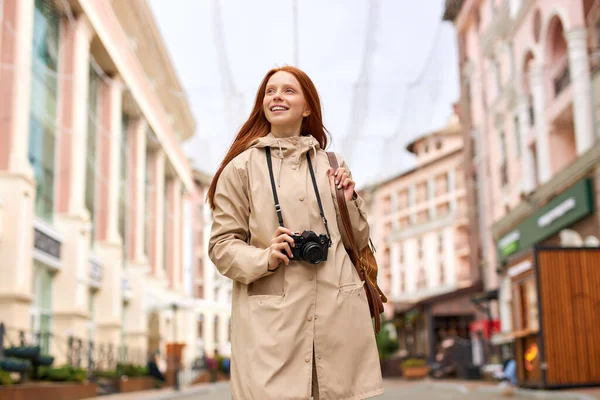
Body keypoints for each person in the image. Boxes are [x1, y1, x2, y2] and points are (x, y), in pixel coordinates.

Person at [207, 66, 383, 399]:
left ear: (307, 107)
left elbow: (357, 241)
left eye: (289, 90)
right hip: (272, 324)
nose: (276, 96)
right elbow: (221, 245)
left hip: (337, 313)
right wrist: (265, 257)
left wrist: (349, 200)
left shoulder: (331, 164)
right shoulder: (241, 168)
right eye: (270, 91)